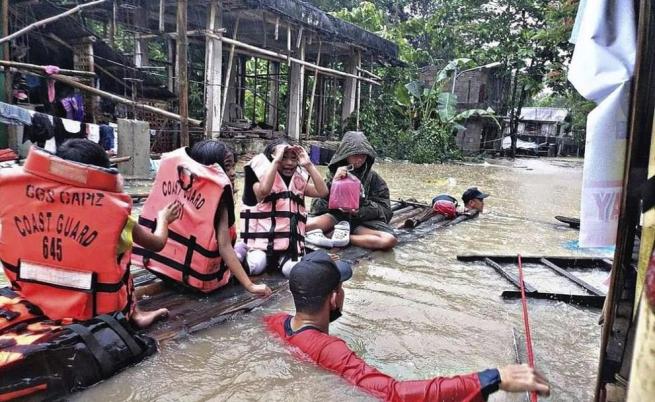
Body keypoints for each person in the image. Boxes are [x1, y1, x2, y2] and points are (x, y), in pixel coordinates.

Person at [265, 250, 551, 401]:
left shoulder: (276, 323)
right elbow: (393, 394)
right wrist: (491, 378)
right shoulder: (333, 350)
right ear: (334, 297)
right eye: (342, 288)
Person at [0, 139, 177, 329]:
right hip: (94, 312)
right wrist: (164, 219)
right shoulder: (115, 215)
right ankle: (136, 315)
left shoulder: (19, 200)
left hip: (33, 298)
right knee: (122, 253)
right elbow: (157, 243)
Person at [133, 140, 271, 296]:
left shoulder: (178, 182)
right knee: (246, 252)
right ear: (211, 168)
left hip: (164, 268)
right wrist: (250, 286)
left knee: (241, 247)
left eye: (233, 166)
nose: (233, 172)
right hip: (199, 279)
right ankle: (244, 249)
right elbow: (224, 247)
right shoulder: (219, 200)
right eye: (227, 167)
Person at [240, 139, 328, 277]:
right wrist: (275, 161)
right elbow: (263, 192)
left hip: (289, 248)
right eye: (283, 157)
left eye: (294, 158)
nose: (289, 163)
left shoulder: (299, 181)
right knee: (255, 266)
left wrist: (309, 165)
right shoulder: (260, 179)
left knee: (293, 271)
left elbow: (322, 192)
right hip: (262, 247)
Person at [306, 131, 397, 250]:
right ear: (346, 155)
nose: (359, 159)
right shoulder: (333, 174)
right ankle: (334, 233)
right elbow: (316, 206)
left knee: (389, 240)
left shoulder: (374, 179)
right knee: (302, 227)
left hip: (360, 223)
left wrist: (359, 209)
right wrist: (333, 184)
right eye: (355, 155)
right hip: (334, 218)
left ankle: (343, 238)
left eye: (363, 155)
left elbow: (385, 211)